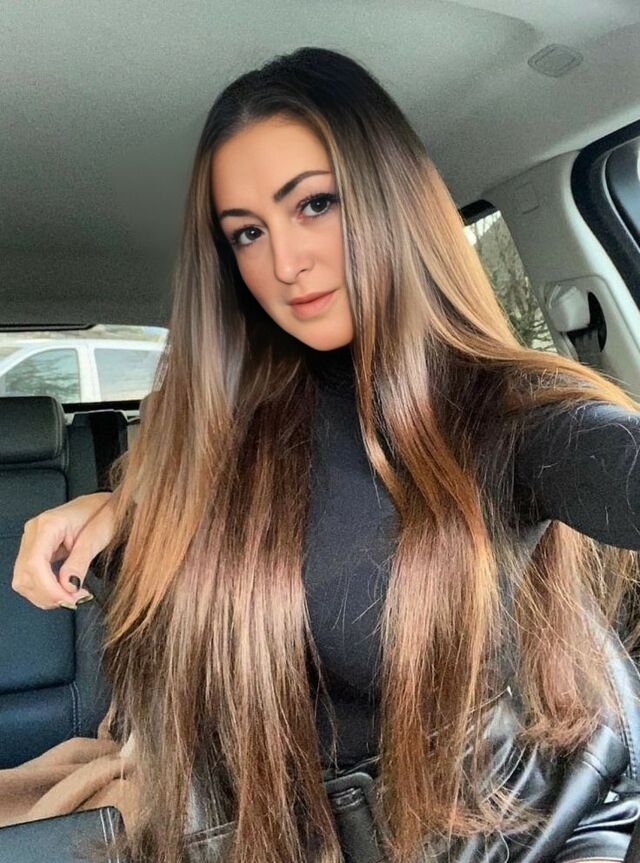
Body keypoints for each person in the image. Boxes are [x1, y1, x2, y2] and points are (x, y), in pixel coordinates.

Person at [9, 46, 640, 863]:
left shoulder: (511, 413)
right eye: (247, 232)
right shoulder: (222, 434)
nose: (285, 263)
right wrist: (127, 508)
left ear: (390, 198)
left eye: (314, 204)